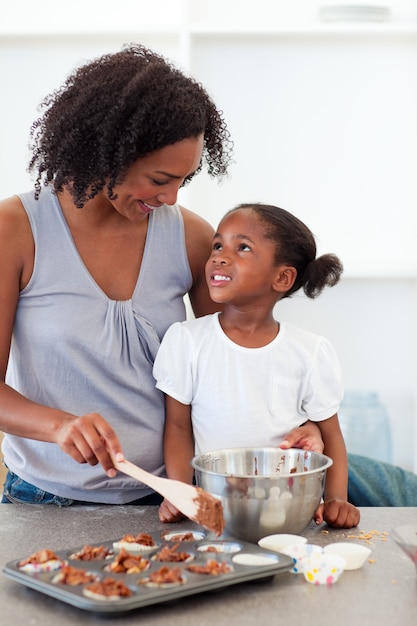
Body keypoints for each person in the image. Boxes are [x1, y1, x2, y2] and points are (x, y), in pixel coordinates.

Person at [0, 44, 233, 505]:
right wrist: (60, 425)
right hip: (46, 499)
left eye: (183, 182)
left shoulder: (190, 238)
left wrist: (302, 423)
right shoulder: (15, 230)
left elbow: (232, 367)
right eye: (160, 179)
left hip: (167, 498)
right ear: (106, 153)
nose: (170, 198)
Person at [153, 203, 360, 528]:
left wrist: (336, 499)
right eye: (218, 245)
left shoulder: (310, 351)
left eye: (242, 247)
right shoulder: (186, 341)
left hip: (291, 511)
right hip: (216, 512)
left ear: (282, 277)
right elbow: (178, 426)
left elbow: (331, 434)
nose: (219, 256)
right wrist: (178, 491)